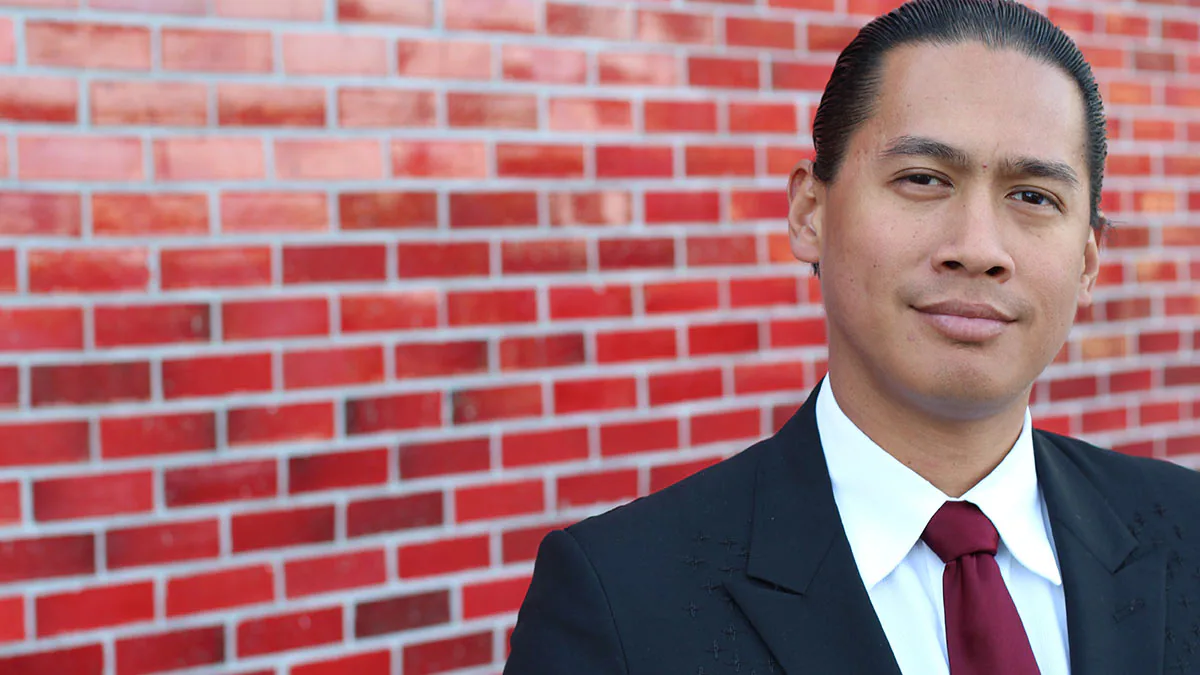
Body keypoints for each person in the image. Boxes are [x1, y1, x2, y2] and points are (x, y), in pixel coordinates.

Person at [504, 0, 1200, 673]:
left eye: (1033, 196)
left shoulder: (1187, 531)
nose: (979, 247)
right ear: (810, 212)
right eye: (923, 178)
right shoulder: (622, 603)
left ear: (1086, 260)